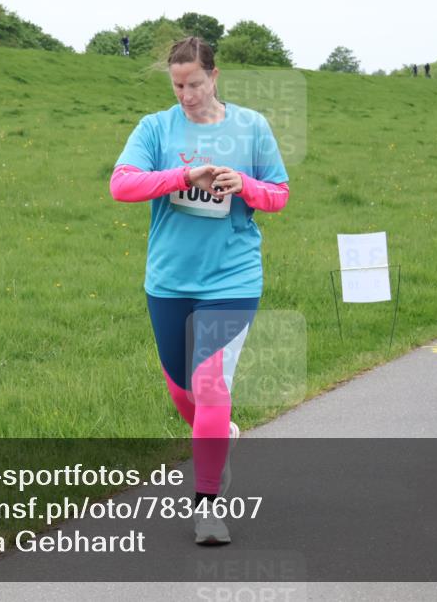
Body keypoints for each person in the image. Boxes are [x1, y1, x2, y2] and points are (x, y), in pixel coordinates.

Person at [110, 36, 290, 544]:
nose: (185, 94)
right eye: (177, 85)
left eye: (193, 84)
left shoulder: (251, 127)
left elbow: (278, 193)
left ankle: (207, 502)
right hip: (169, 279)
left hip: (232, 276)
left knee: (211, 385)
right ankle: (218, 435)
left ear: (214, 76)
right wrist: (184, 175)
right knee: (181, 391)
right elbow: (121, 185)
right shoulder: (155, 127)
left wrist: (244, 186)